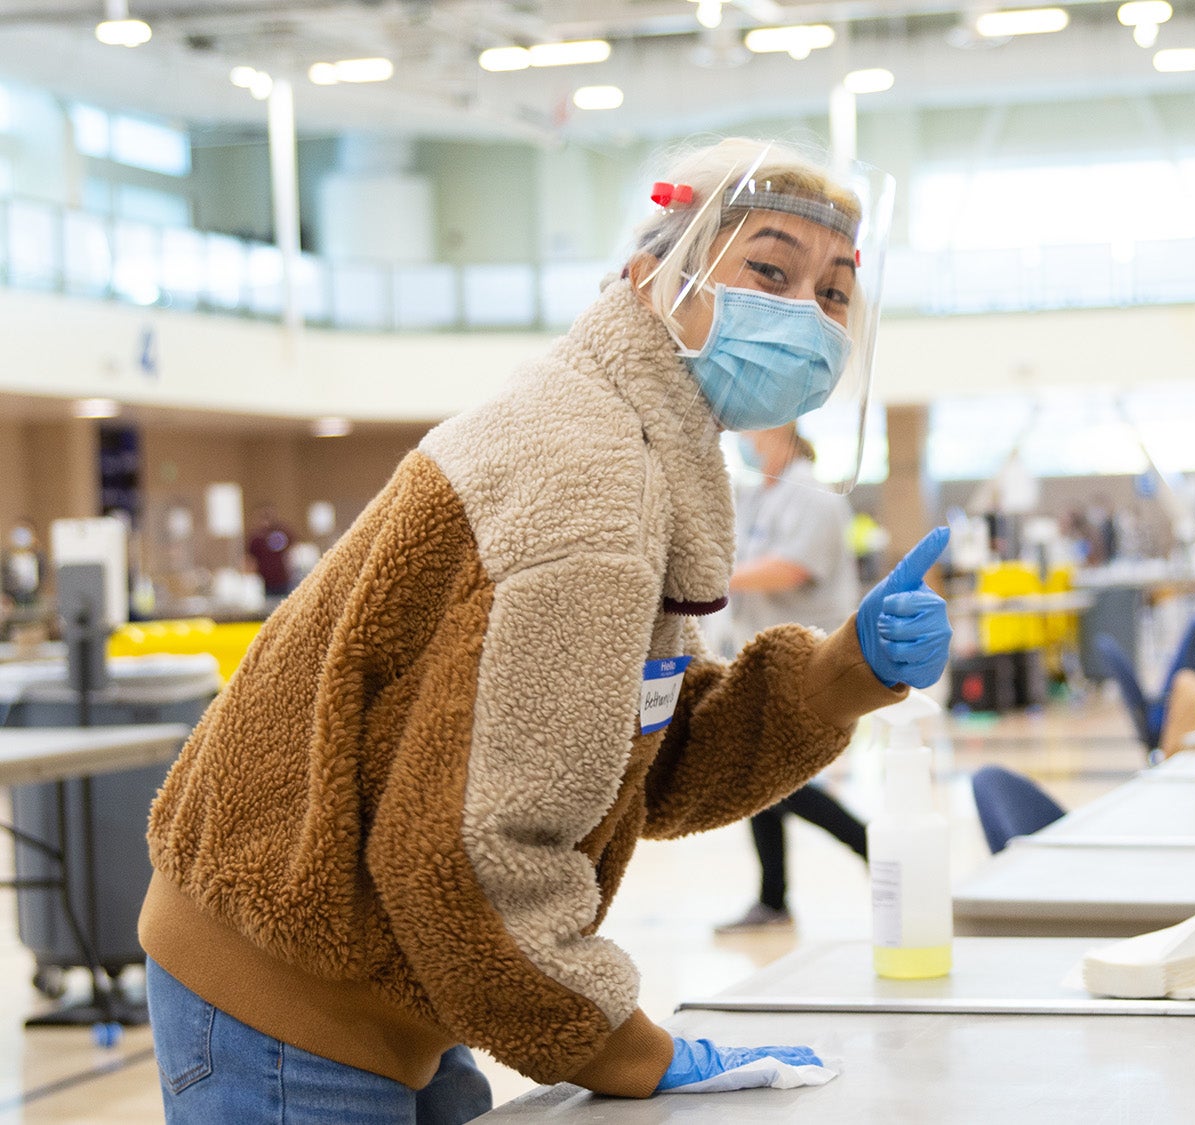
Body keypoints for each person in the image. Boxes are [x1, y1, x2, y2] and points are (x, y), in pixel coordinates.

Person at [139, 138, 953, 1123]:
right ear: (656, 276)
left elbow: (633, 757)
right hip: (293, 992)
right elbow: (475, 847)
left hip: (383, 968)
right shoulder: (588, 475)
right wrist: (620, 1047)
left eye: (831, 293)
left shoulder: (634, 444)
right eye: (768, 271)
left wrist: (834, 677)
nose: (803, 316)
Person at [714, 424, 873, 933]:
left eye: (753, 431)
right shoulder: (764, 495)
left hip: (806, 657)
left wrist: (716, 578)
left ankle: (874, 848)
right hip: (761, 655)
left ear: (781, 429)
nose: (746, 439)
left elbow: (790, 569)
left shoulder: (814, 497)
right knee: (760, 777)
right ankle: (774, 897)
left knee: (772, 778)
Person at [244, 504, 296, 596]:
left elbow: (292, 550)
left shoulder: (282, 533)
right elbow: (251, 561)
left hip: (282, 579)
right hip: (265, 582)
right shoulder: (255, 539)